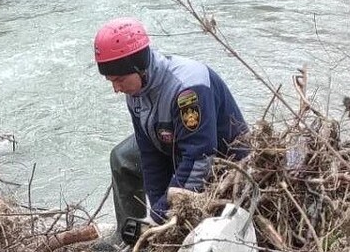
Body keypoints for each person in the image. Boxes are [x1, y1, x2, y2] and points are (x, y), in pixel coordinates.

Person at [94, 17, 250, 236]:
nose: (116, 89)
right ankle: (126, 236)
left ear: (139, 67)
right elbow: (149, 155)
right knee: (122, 158)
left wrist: (162, 214)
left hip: (223, 163)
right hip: (172, 145)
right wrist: (156, 211)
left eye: (119, 80)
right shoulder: (136, 93)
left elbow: (200, 158)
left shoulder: (188, 89)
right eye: (111, 81)